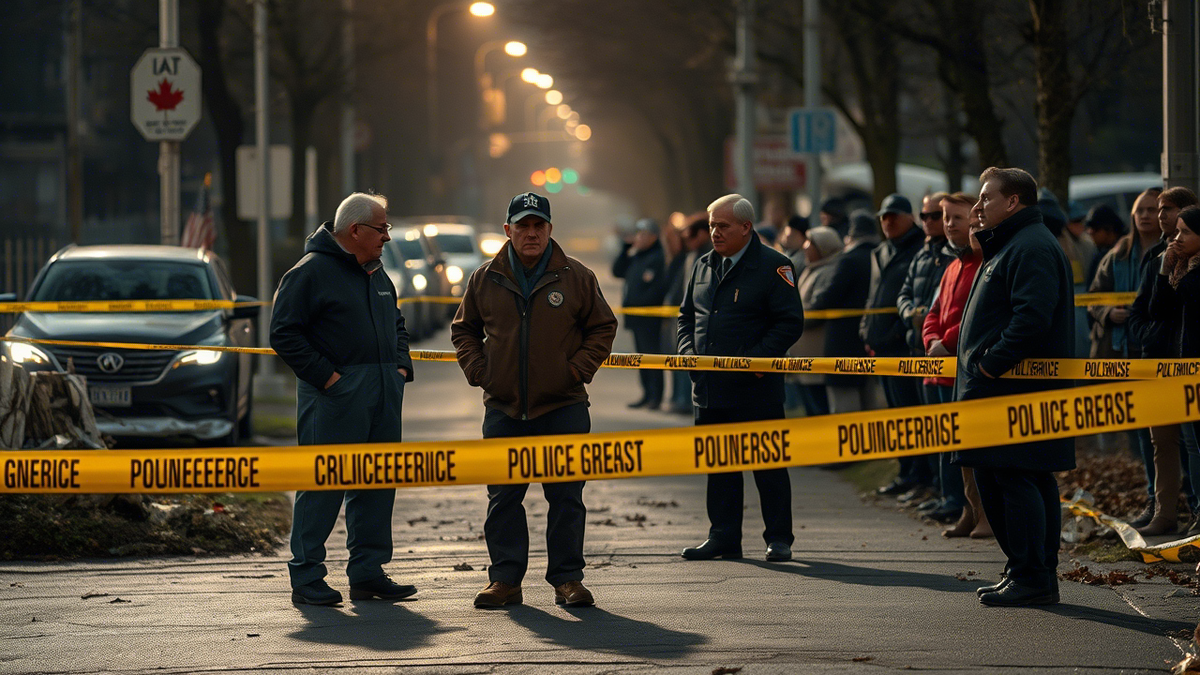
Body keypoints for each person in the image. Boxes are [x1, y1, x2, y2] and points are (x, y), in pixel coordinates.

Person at [452, 192, 617, 609]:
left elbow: (603, 327)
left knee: (565, 497)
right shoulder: (484, 278)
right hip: (504, 410)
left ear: (549, 230)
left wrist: (576, 370)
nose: (530, 233)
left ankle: (567, 580)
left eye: (537, 226)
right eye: (522, 226)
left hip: (563, 407)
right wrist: (480, 371)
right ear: (508, 230)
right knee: (503, 498)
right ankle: (505, 580)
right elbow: (464, 330)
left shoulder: (576, 276)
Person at [270, 192, 416, 606]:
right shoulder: (309, 273)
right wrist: (330, 379)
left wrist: (400, 366)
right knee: (323, 483)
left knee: (377, 483)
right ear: (355, 230)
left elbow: (398, 324)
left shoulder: (376, 273)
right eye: (382, 228)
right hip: (334, 400)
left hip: (383, 396)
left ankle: (368, 573)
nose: (387, 236)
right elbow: (283, 333)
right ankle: (306, 576)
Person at [954, 167, 1075, 607]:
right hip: (1000, 390)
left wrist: (989, 365)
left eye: (987, 198)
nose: (977, 206)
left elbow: (1032, 318)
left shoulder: (1029, 246)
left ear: (1014, 203)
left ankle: (1033, 575)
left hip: (1010, 391)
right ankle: (1027, 570)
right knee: (1014, 476)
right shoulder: (1013, 244)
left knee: (1015, 476)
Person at [678, 194, 805, 562]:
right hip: (709, 388)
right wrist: (688, 354)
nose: (714, 232)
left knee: (767, 466)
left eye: (723, 226)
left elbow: (789, 322)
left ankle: (779, 538)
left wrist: (756, 360)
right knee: (719, 466)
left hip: (756, 388)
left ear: (746, 228)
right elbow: (686, 317)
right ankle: (723, 536)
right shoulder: (703, 265)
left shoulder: (774, 265)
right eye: (712, 225)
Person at [1129, 187, 1200, 531]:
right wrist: (1148, 338)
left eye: (1167, 209)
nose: (1159, 216)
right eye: (1157, 209)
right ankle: (1163, 513)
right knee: (1161, 441)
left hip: (1190, 364)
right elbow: (1146, 309)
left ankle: (1196, 510)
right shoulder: (1159, 255)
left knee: (1192, 440)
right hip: (1159, 361)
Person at [922, 193, 989, 538]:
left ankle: (985, 515)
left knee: (971, 446)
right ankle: (969, 509)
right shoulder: (952, 266)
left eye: (957, 218)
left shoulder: (985, 264)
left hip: (963, 370)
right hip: (938, 371)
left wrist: (945, 343)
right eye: (944, 217)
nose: (948, 224)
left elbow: (974, 317)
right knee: (954, 448)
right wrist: (932, 341)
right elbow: (933, 312)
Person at [1087, 190, 1161, 498]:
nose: (1144, 215)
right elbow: (1093, 297)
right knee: (1133, 425)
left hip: (1158, 352)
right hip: (1120, 349)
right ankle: (1146, 488)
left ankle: (1171, 493)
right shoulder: (1118, 254)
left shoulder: (1173, 249)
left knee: (1163, 430)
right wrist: (1108, 311)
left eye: (1150, 209)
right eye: (1138, 210)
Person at [860, 194, 929, 498]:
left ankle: (919, 475)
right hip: (881, 348)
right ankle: (905, 471)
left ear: (910, 217)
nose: (887, 222)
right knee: (895, 415)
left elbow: (914, 297)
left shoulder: (918, 249)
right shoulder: (881, 251)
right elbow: (874, 296)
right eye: (883, 216)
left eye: (894, 216)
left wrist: (896, 335)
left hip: (903, 348)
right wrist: (866, 330)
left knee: (910, 412)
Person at [897, 192, 954, 515]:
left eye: (938, 216)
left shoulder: (952, 256)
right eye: (926, 216)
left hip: (943, 354)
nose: (931, 222)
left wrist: (934, 332)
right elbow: (904, 293)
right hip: (918, 349)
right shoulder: (922, 254)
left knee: (943, 429)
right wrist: (910, 316)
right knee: (925, 427)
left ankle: (947, 492)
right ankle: (934, 485)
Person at [1149, 206, 1200, 536]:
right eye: (1175, 232)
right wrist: (1166, 270)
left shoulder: (1194, 277)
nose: (1176, 239)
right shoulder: (1179, 268)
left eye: (1184, 232)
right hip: (1178, 369)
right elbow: (1158, 311)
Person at [809, 210, 876, 414]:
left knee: (844, 407)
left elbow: (828, 296)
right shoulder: (879, 255)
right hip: (870, 339)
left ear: (851, 234)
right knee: (870, 405)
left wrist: (814, 302)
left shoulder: (849, 260)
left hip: (843, 342)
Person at [612, 218, 667, 409]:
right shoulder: (636, 255)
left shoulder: (657, 258)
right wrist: (625, 248)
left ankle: (656, 396)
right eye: (638, 234)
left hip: (649, 317)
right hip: (635, 316)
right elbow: (617, 271)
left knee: (652, 357)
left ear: (653, 237)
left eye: (643, 234)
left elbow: (656, 290)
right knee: (641, 358)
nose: (639, 238)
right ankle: (646, 393)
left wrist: (640, 306)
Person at [789, 226, 843, 416]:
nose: (805, 247)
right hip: (802, 359)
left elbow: (815, 310)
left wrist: (789, 320)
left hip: (816, 358)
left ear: (823, 247)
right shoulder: (810, 270)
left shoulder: (829, 271)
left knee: (820, 411)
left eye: (810, 243)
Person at [664, 214, 713, 415]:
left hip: (699, 318)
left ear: (702, 234)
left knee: (692, 359)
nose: (686, 241)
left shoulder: (710, 256)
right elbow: (679, 283)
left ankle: (689, 400)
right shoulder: (688, 255)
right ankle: (680, 398)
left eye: (689, 237)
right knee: (679, 358)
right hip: (683, 315)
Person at [1084, 205, 1125, 286]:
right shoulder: (1099, 254)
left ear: (1109, 229)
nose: (1090, 232)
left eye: (1095, 229)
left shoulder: (1126, 252)